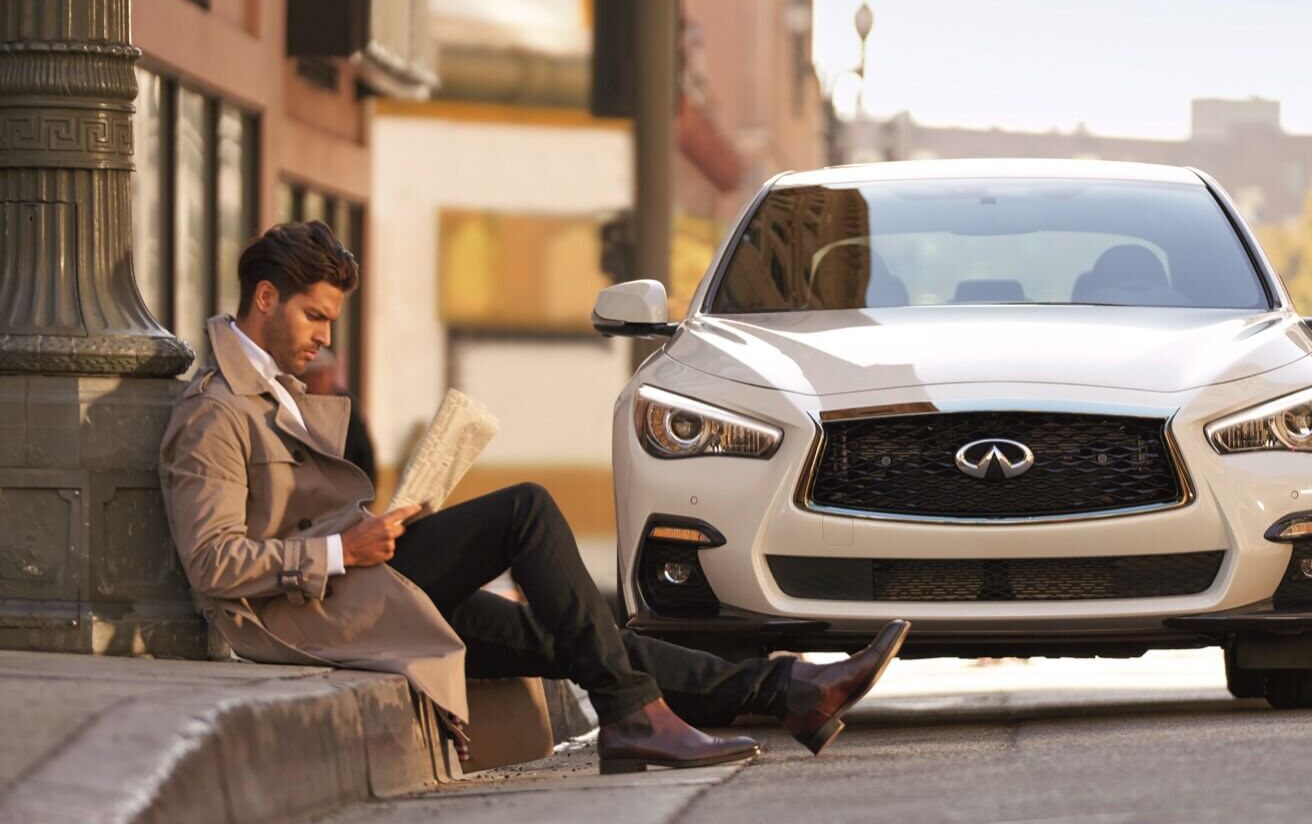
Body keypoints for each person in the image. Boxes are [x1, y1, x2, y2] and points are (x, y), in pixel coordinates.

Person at [158, 221, 908, 774]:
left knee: (575, 636)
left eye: (330, 320)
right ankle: (635, 717)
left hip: (354, 581)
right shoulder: (215, 412)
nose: (324, 336)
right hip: (309, 613)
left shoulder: (275, 393)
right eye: (314, 315)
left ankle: (788, 688)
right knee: (526, 509)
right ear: (264, 297)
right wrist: (339, 548)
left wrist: (374, 527)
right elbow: (213, 563)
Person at [297, 347, 377, 485]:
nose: (318, 380)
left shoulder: (347, 404)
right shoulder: (294, 404)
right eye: (313, 375)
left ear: (332, 374)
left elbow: (362, 449)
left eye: (322, 374)